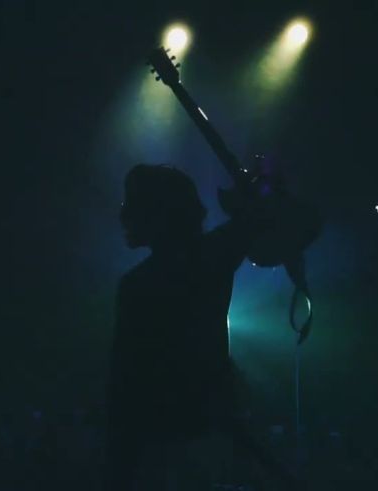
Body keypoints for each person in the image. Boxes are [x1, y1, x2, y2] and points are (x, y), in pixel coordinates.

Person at [104, 164, 301, 490]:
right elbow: (274, 218)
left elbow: (123, 386)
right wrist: (262, 188)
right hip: (206, 431)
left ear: (159, 214)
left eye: (133, 205)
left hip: (165, 440)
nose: (124, 214)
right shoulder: (212, 255)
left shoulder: (140, 284)